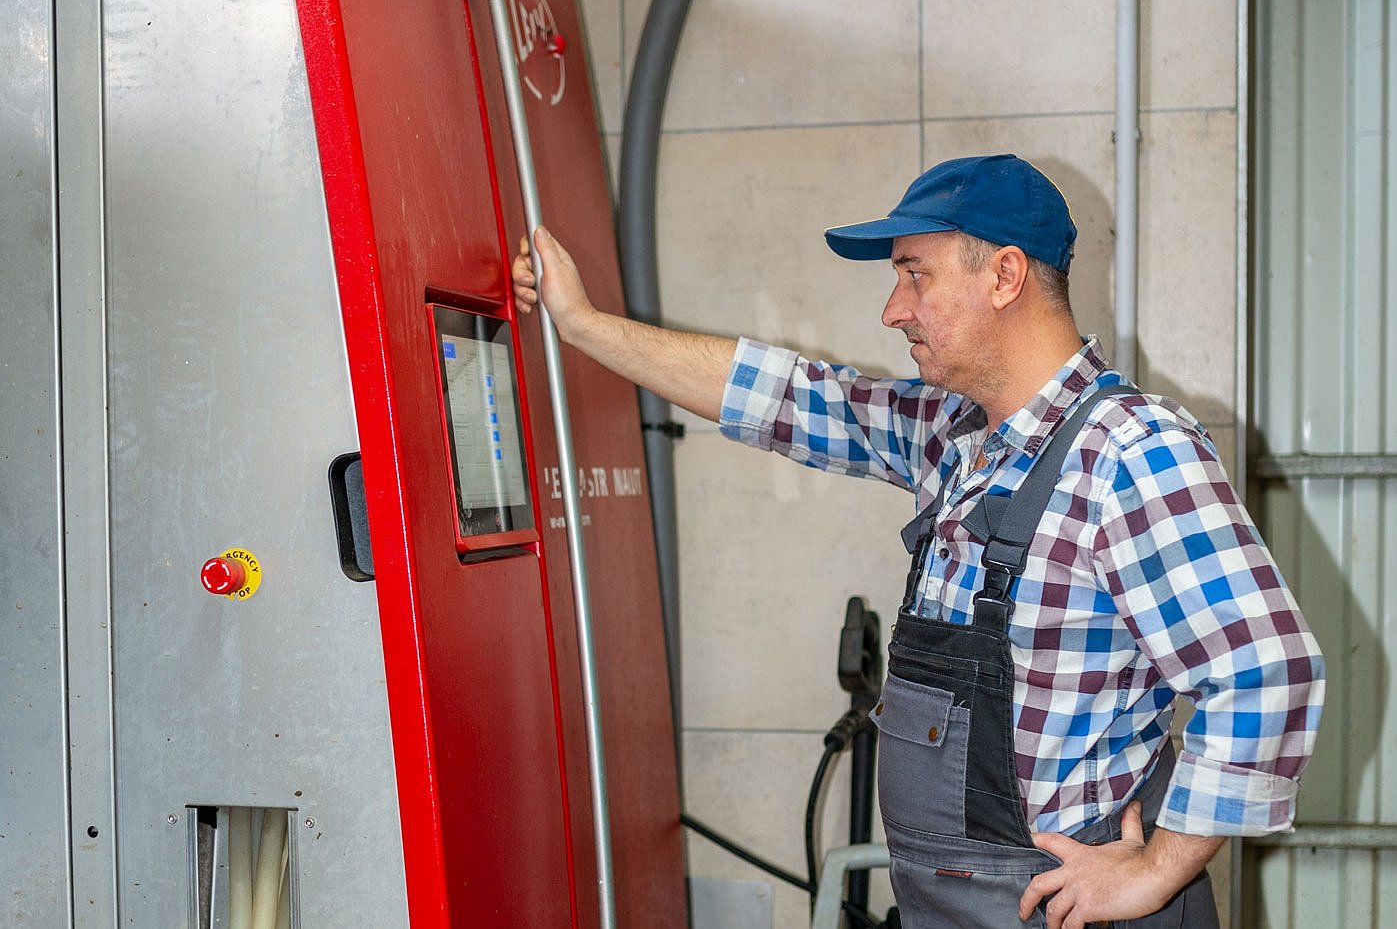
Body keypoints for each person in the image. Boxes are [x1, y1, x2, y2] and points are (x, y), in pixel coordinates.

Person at [512, 154, 1324, 929]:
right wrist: (581, 327)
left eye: (914, 275)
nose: (893, 309)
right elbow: (781, 395)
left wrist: (1158, 867)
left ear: (1004, 275)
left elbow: (1265, 669)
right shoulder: (953, 431)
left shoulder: (1129, 452)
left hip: (1059, 907)